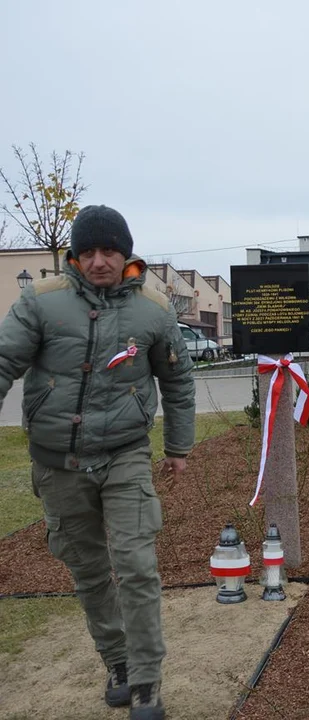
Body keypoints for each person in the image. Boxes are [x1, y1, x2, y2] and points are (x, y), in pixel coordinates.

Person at [0, 205, 195, 719]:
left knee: (136, 566)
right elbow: (3, 361)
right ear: (74, 255)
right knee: (87, 569)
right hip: (57, 462)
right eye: (88, 251)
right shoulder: (41, 303)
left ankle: (148, 684)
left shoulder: (154, 310)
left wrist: (177, 448)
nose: (99, 261)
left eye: (109, 250)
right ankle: (119, 663)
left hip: (125, 455)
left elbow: (177, 382)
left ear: (125, 254)